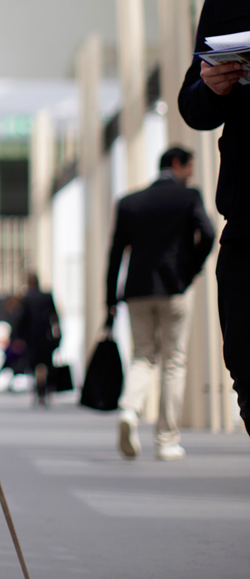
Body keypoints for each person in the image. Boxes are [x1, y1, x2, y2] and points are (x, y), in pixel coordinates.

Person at [107, 147, 214, 461]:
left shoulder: (129, 202)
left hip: (137, 290)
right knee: (174, 361)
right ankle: (166, 440)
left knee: (143, 355)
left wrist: (109, 298)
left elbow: (115, 253)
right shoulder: (189, 196)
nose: (190, 175)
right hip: (174, 288)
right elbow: (208, 234)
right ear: (177, 164)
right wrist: (189, 271)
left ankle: (129, 410)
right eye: (189, 168)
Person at [179, 0, 250, 438]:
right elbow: (192, 105)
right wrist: (211, 87)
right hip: (245, 220)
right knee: (243, 363)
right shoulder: (227, 1)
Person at [16, 273, 60, 407]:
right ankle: (44, 389)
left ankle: (39, 390)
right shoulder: (47, 296)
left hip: (32, 337)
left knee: (35, 364)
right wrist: (58, 334)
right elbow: (54, 316)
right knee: (45, 364)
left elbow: (22, 320)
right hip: (46, 335)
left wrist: (19, 337)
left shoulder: (27, 298)